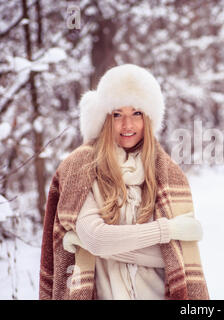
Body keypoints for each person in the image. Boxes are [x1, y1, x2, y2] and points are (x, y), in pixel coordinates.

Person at [39, 64, 209, 300]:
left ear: (148, 118)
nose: (127, 125)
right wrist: (167, 231)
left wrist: (93, 244)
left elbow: (174, 259)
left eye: (136, 113)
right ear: (105, 118)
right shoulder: (81, 168)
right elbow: (97, 239)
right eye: (117, 114)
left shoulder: (169, 175)